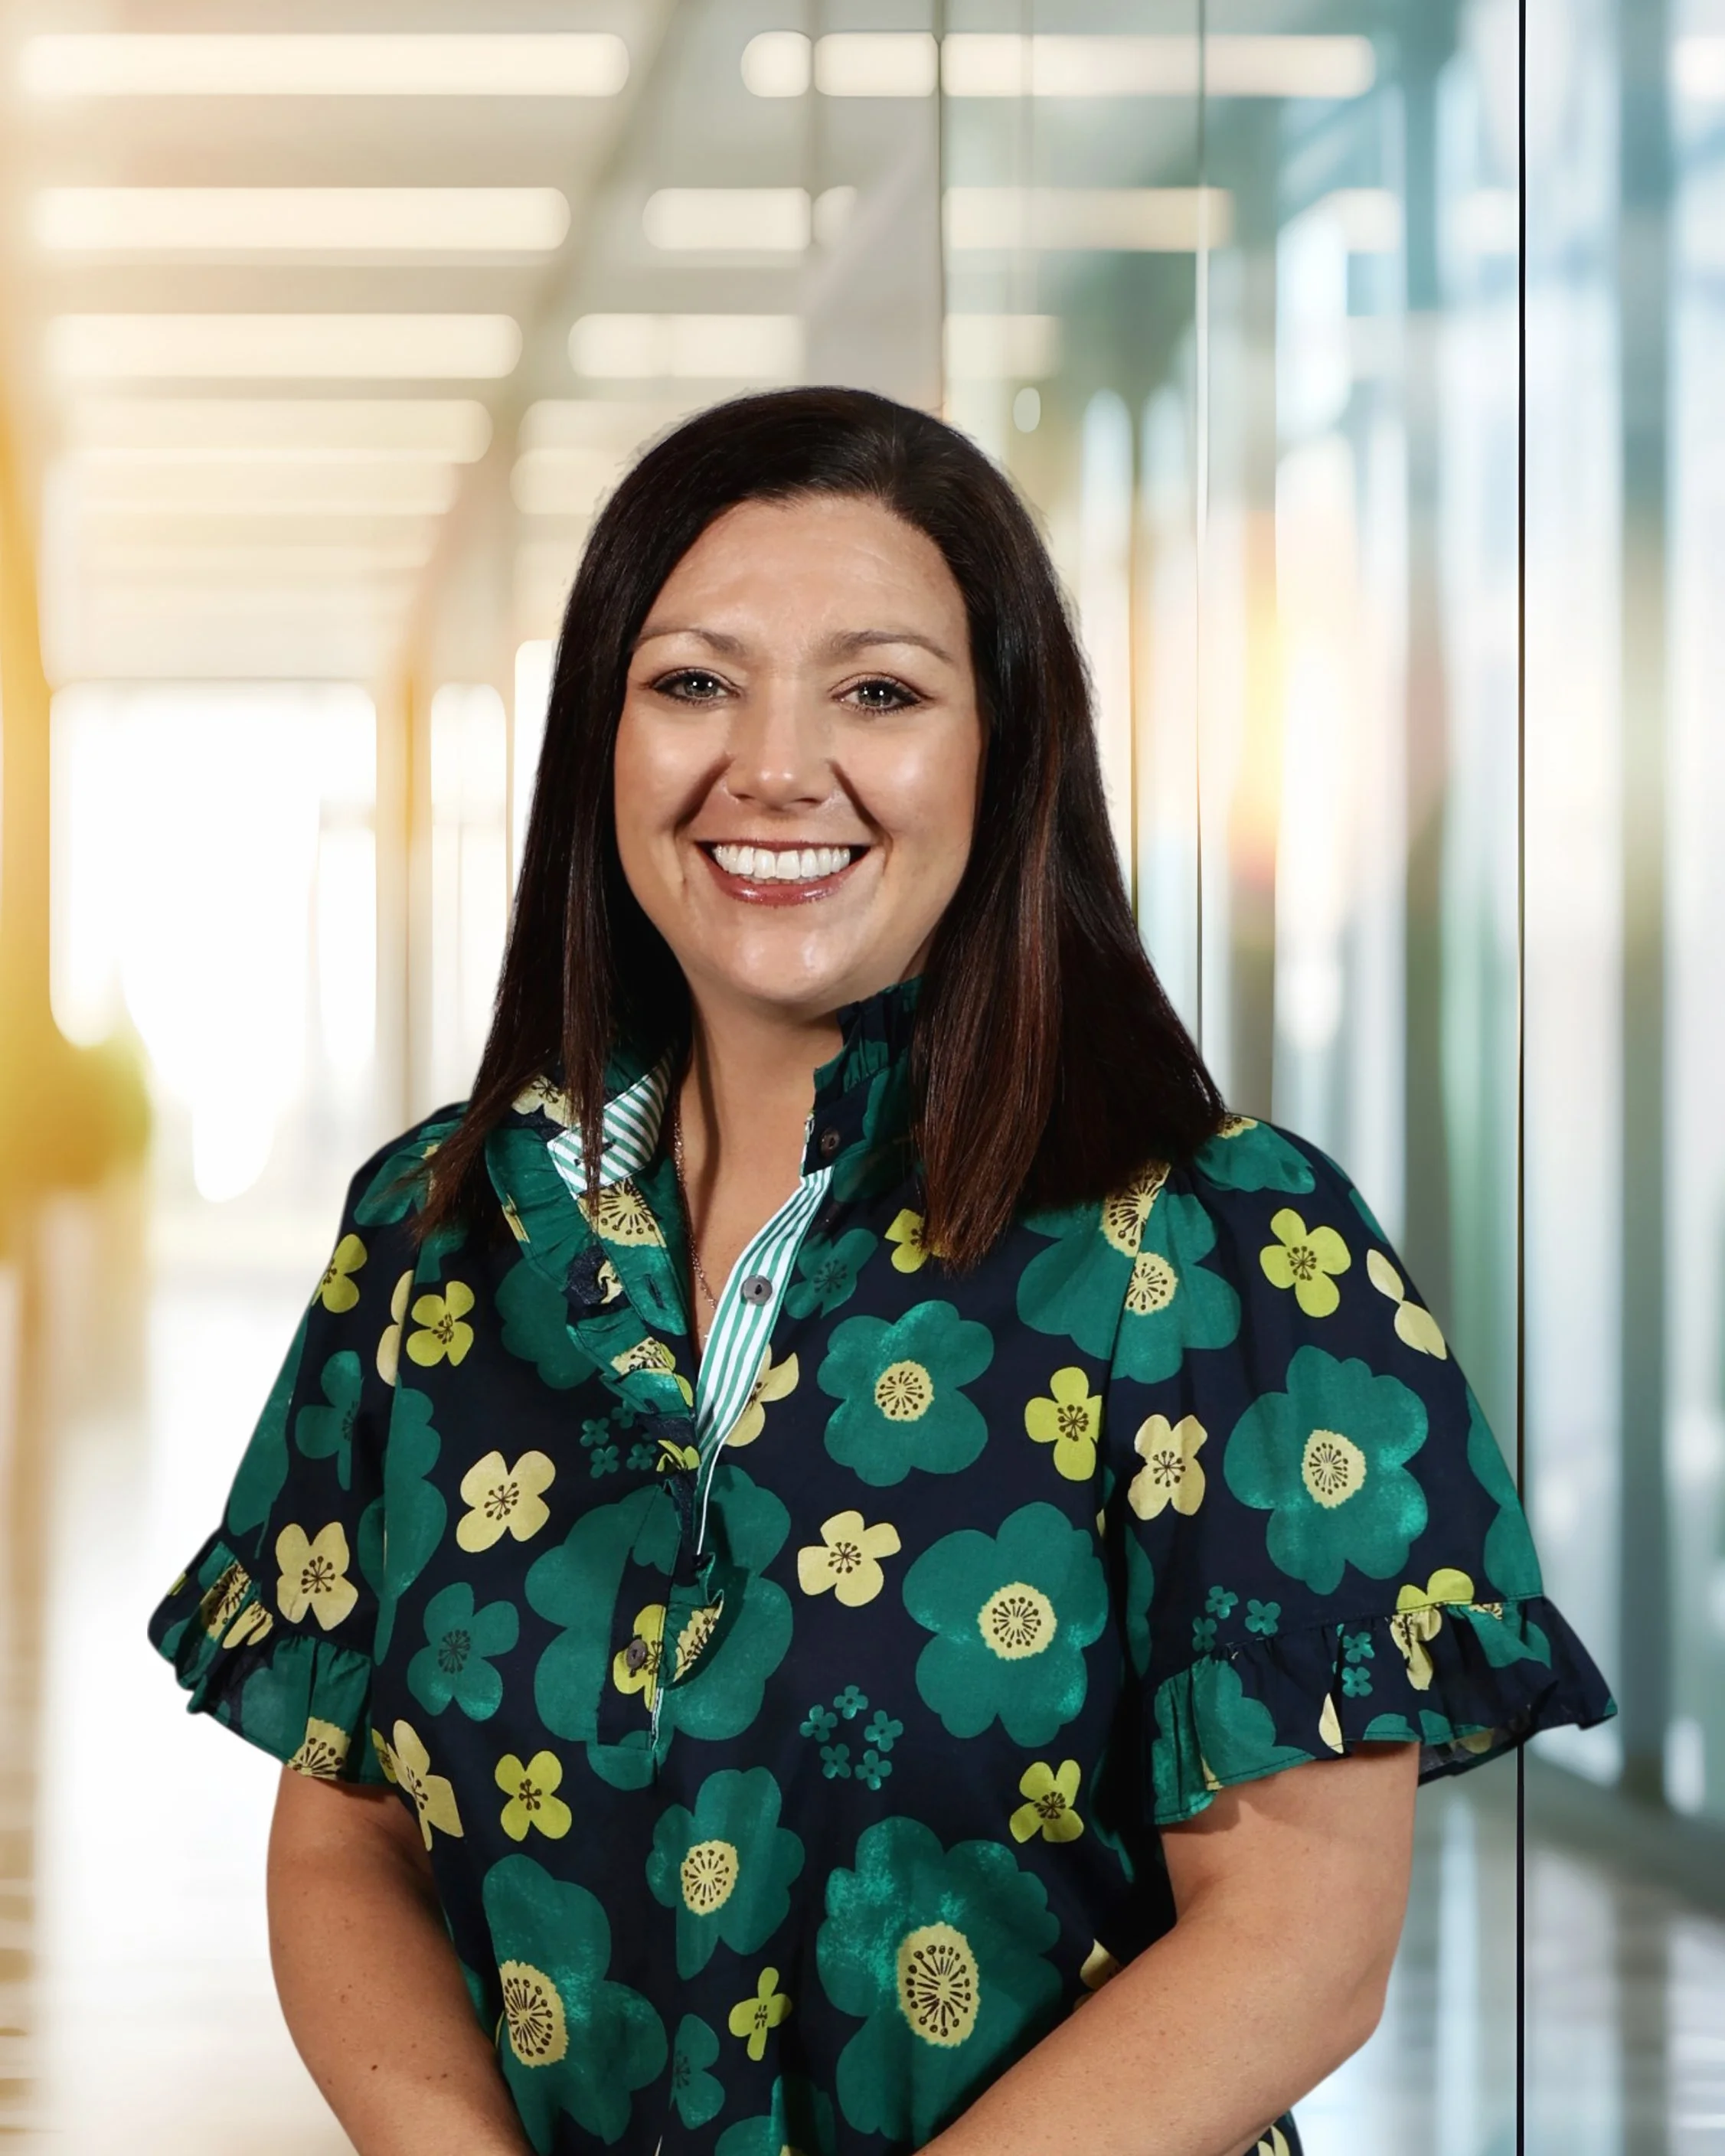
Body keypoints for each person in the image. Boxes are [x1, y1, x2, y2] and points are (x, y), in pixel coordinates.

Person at [150, 386, 1613, 2156]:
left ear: (1006, 754)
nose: (773, 765)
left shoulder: (1222, 1252)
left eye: (880, 691)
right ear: (596, 745)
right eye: (692, 681)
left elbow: (1298, 1943)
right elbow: (345, 1841)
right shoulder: (432, 1236)